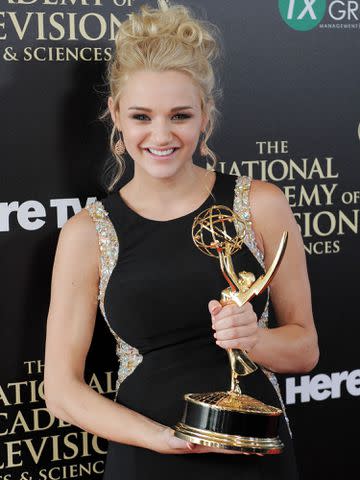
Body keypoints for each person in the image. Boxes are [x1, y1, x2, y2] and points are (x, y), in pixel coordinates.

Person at [44, 1, 319, 479]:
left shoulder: (261, 203)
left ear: (205, 115)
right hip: (147, 458)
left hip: (254, 456)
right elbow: (61, 391)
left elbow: (305, 349)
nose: (161, 135)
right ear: (116, 115)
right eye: (142, 116)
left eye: (180, 115)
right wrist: (165, 440)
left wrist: (252, 338)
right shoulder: (87, 232)